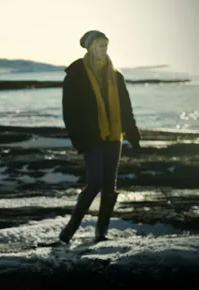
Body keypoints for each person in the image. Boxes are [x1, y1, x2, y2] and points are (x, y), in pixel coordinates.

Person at [58, 30, 140, 243]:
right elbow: (69, 111)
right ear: (90, 47)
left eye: (106, 45)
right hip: (91, 137)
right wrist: (78, 139)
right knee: (95, 182)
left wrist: (132, 131)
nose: (104, 49)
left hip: (114, 136)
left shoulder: (115, 75)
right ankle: (69, 231)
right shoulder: (76, 74)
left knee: (109, 186)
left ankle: (101, 232)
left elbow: (125, 106)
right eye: (100, 45)